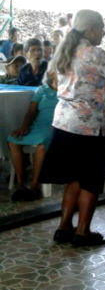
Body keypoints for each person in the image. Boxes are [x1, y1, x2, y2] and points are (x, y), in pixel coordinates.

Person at [39, 9, 105, 247]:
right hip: (91, 126)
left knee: (74, 178)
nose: (104, 31)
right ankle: (82, 232)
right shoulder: (96, 54)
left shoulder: (65, 50)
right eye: (100, 26)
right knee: (90, 181)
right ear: (90, 30)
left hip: (64, 123)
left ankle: (64, 227)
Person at [8, 67, 59, 201]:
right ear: (51, 73)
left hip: (56, 127)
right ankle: (20, 183)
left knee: (42, 145)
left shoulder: (68, 91)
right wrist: (24, 127)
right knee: (13, 139)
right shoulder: (41, 90)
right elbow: (31, 112)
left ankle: (35, 185)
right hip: (38, 125)